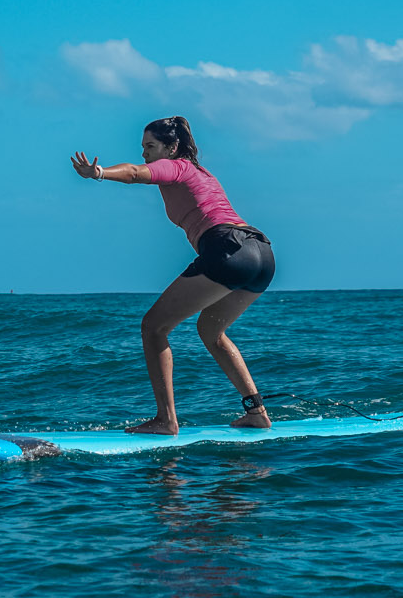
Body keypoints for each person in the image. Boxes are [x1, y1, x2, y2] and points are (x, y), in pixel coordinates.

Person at [71, 116, 277, 435]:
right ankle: (256, 412)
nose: (145, 154)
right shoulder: (203, 174)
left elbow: (136, 174)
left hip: (228, 249)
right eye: (142, 148)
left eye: (150, 147)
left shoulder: (177, 166)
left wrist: (98, 173)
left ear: (172, 147)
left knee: (154, 327)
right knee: (211, 331)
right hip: (261, 252)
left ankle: (166, 420)